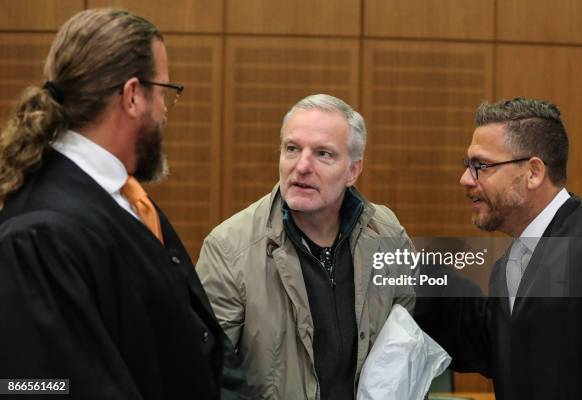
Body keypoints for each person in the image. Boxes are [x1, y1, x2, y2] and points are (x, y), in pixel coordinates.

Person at [0, 9, 226, 399]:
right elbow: (39, 387)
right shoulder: (38, 234)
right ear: (133, 95)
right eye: (165, 92)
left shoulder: (125, 199)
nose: (165, 111)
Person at [196, 94, 415, 399]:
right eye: (292, 149)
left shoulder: (387, 234)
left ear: (353, 170)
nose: (301, 166)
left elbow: (404, 347)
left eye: (323, 154)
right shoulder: (229, 248)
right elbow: (207, 374)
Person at [414, 97, 582, 400]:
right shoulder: (509, 265)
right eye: (468, 166)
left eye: (481, 165)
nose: (465, 179)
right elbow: (499, 351)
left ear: (533, 172)